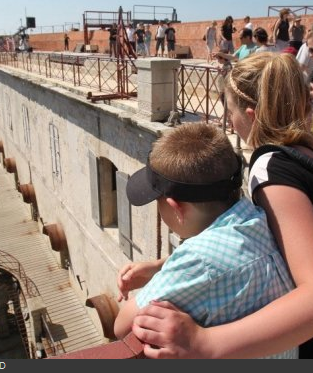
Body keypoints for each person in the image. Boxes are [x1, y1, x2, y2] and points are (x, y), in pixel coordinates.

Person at [130, 52, 313, 359]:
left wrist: (205, 343)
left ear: (250, 115)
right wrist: (162, 265)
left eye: (229, 111)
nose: (228, 122)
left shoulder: (272, 168)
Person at [114, 122, 297, 359]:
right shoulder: (259, 218)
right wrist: (160, 267)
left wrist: (162, 276)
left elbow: (122, 327)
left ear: (175, 208)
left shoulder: (196, 261)